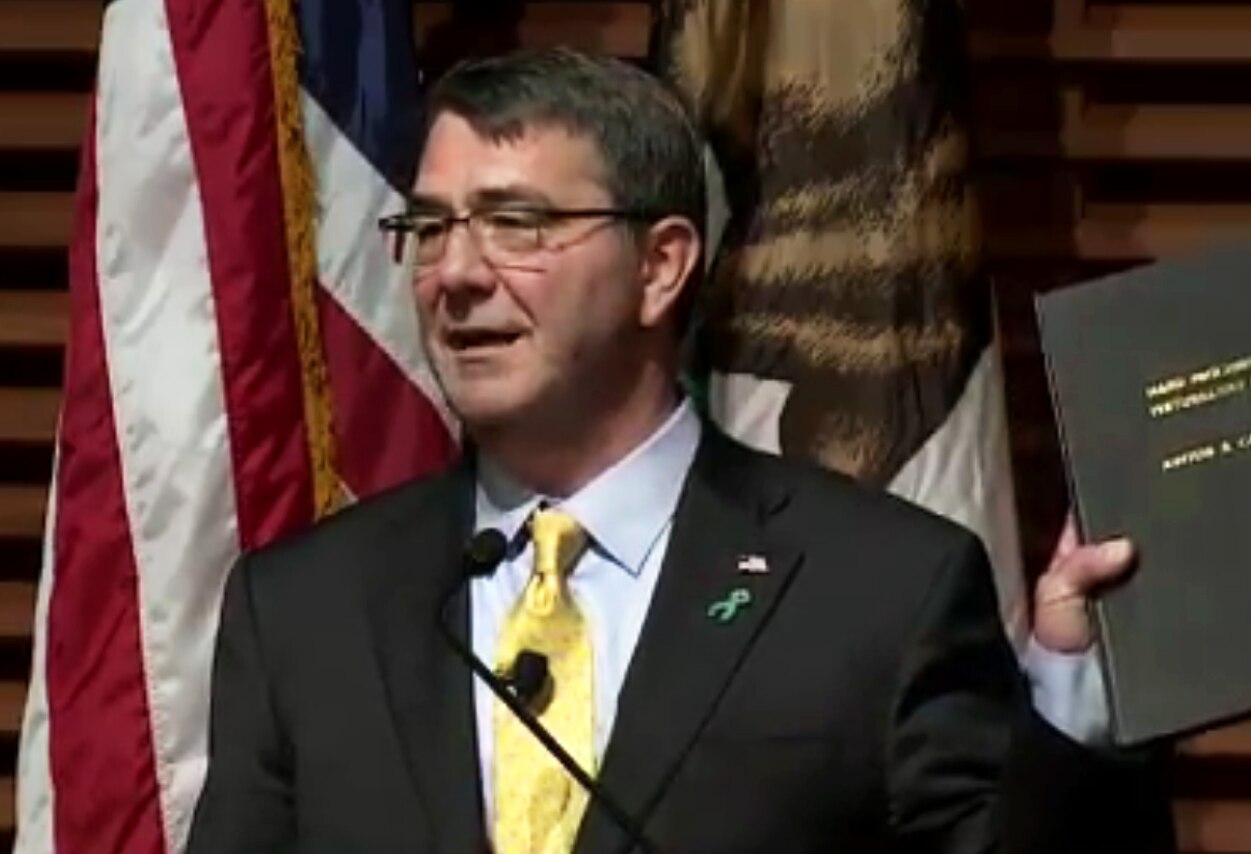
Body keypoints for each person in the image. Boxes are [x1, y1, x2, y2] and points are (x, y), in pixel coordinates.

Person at [186, 47, 1173, 854]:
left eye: (514, 225)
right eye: (430, 227)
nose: (455, 273)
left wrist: (1071, 691)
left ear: (659, 265)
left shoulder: (878, 586)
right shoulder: (305, 610)